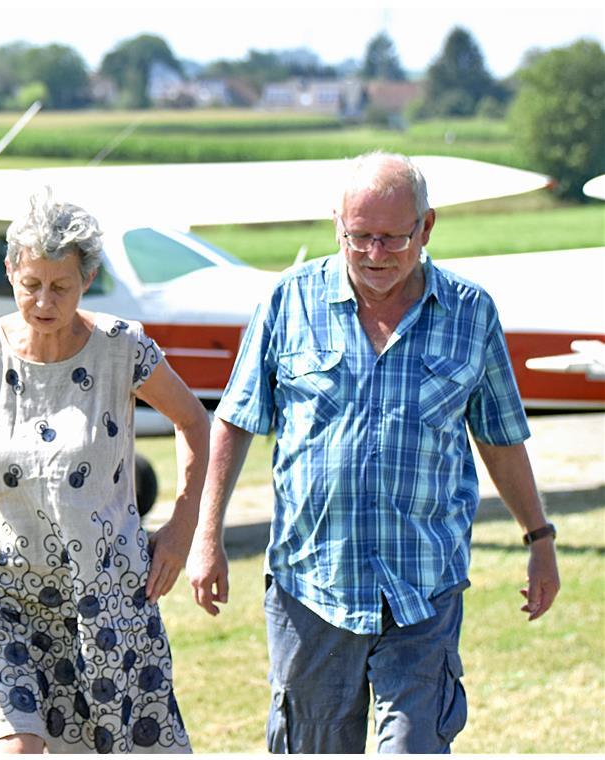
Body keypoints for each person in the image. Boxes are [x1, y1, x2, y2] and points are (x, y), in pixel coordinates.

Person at [186, 151, 560, 753]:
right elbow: (236, 421)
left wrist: (539, 539)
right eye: (359, 237)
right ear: (337, 224)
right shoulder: (288, 303)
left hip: (423, 587)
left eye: (393, 238)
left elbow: (500, 436)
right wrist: (208, 538)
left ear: (427, 227)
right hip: (312, 587)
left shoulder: (470, 313)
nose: (375, 254)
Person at [0, 189, 209, 753]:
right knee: (15, 747)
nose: (42, 301)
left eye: (60, 286)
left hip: (108, 597)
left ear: (88, 278)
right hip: (9, 598)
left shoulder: (121, 348)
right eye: (30, 284)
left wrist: (182, 531)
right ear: (9, 270)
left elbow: (196, 423)